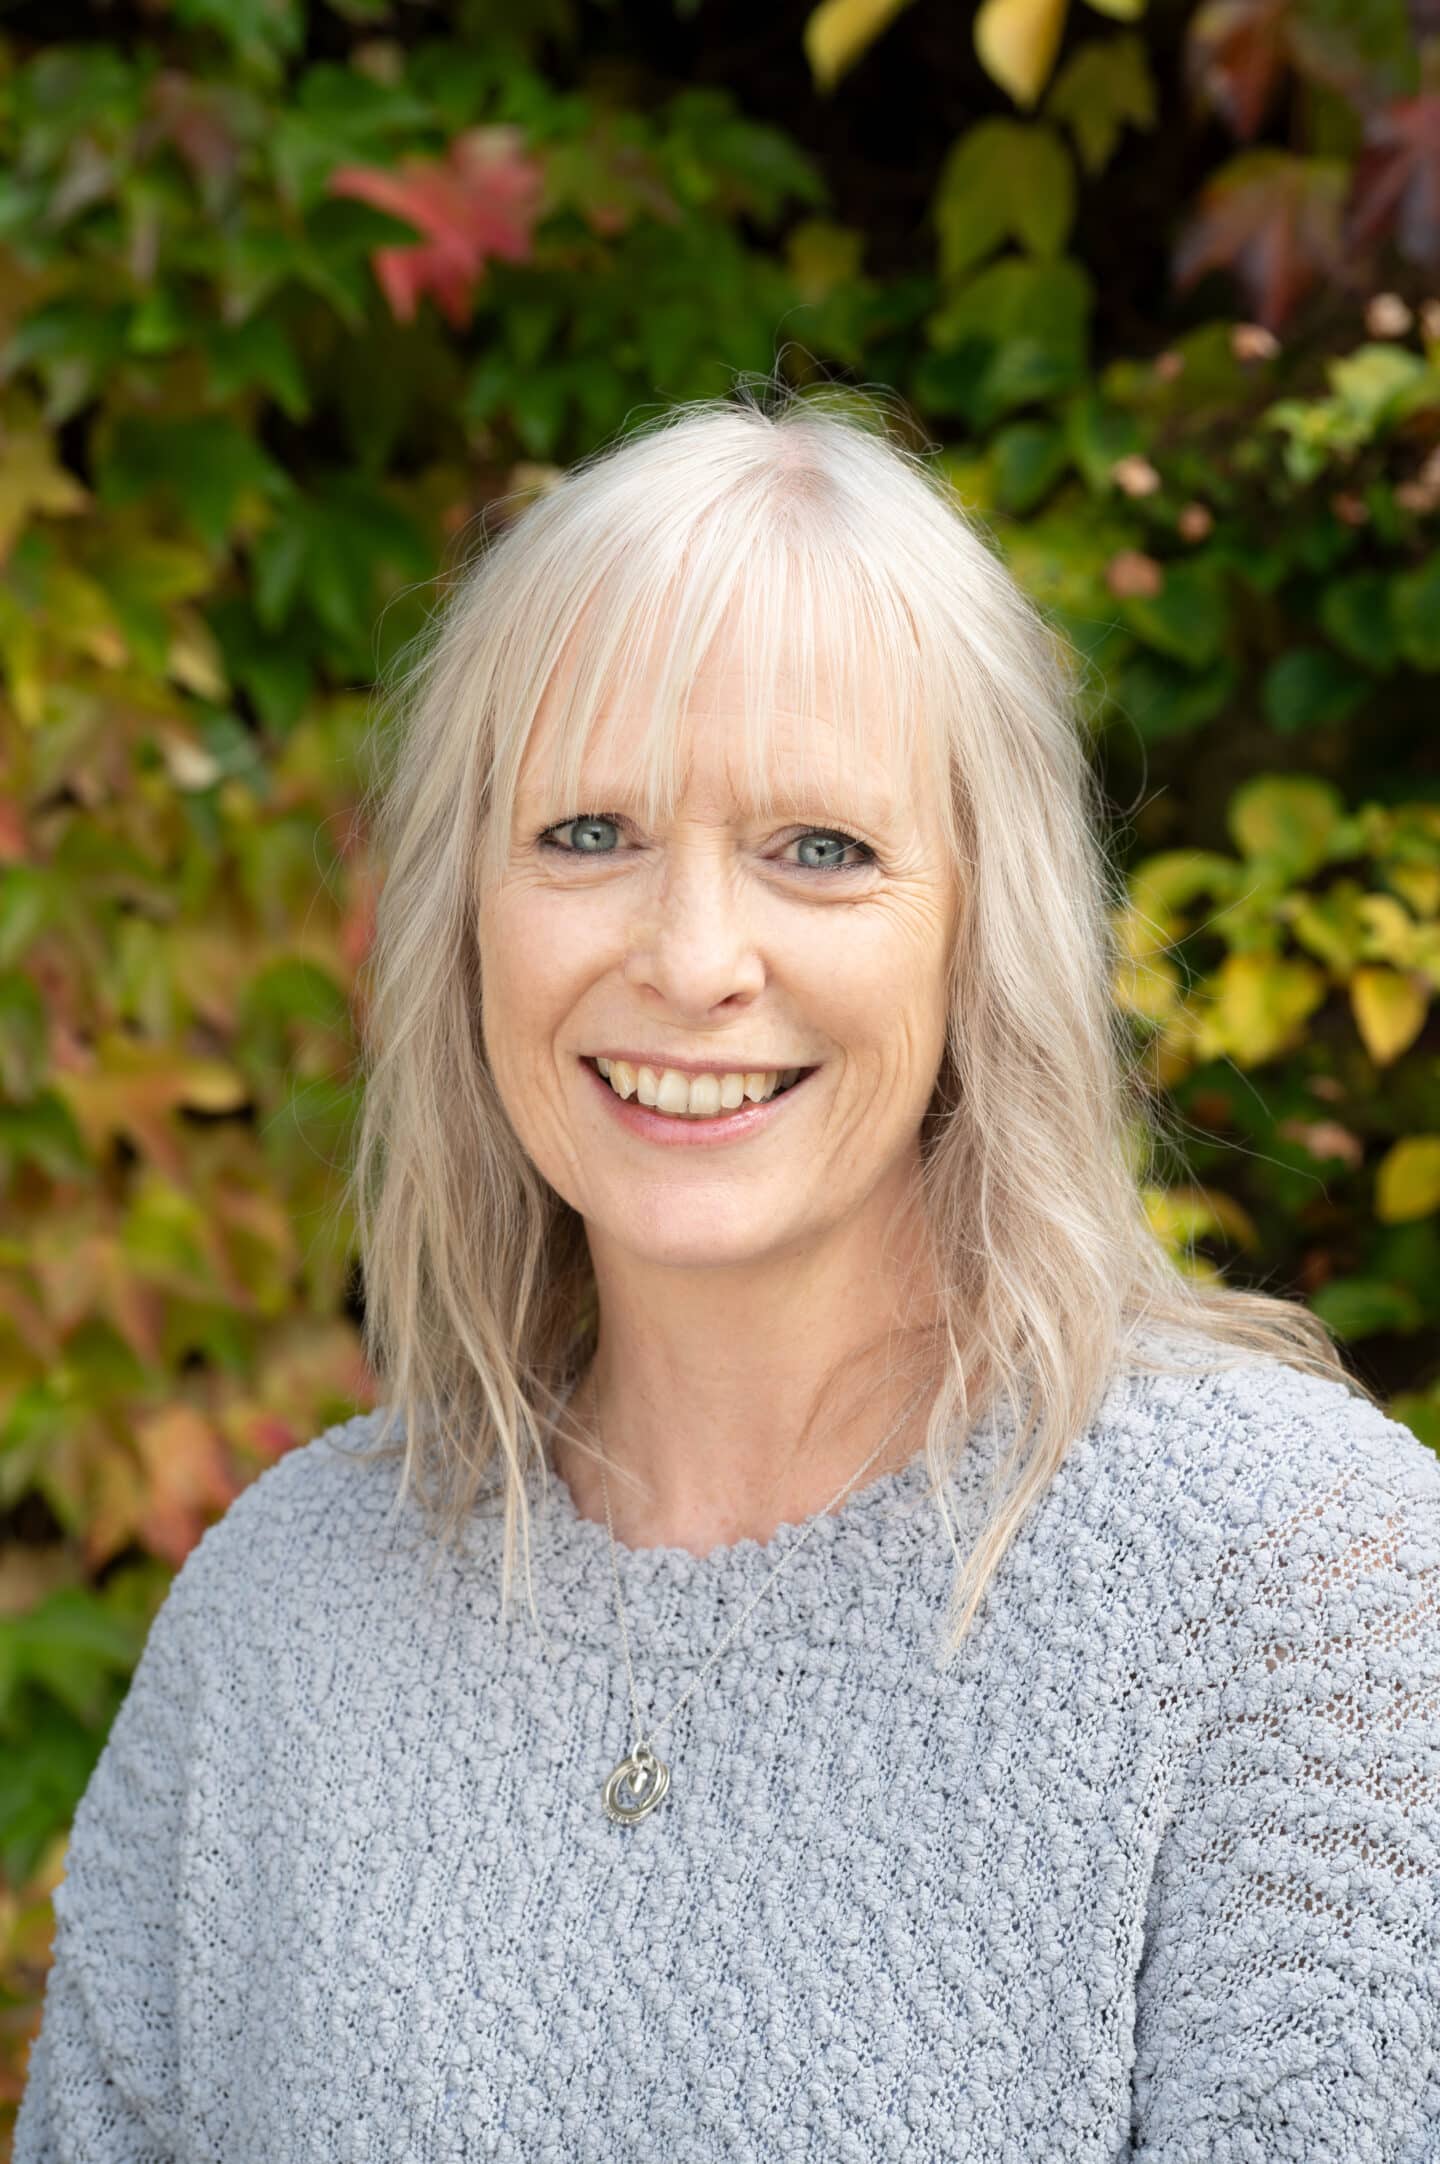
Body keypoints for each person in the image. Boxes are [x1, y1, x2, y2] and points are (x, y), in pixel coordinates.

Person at [14, 388, 1439, 2162]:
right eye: (586, 836)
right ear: (463, 912)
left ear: (980, 926)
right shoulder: (283, 1613)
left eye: (818, 852)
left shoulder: (1291, 1587)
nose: (693, 960)